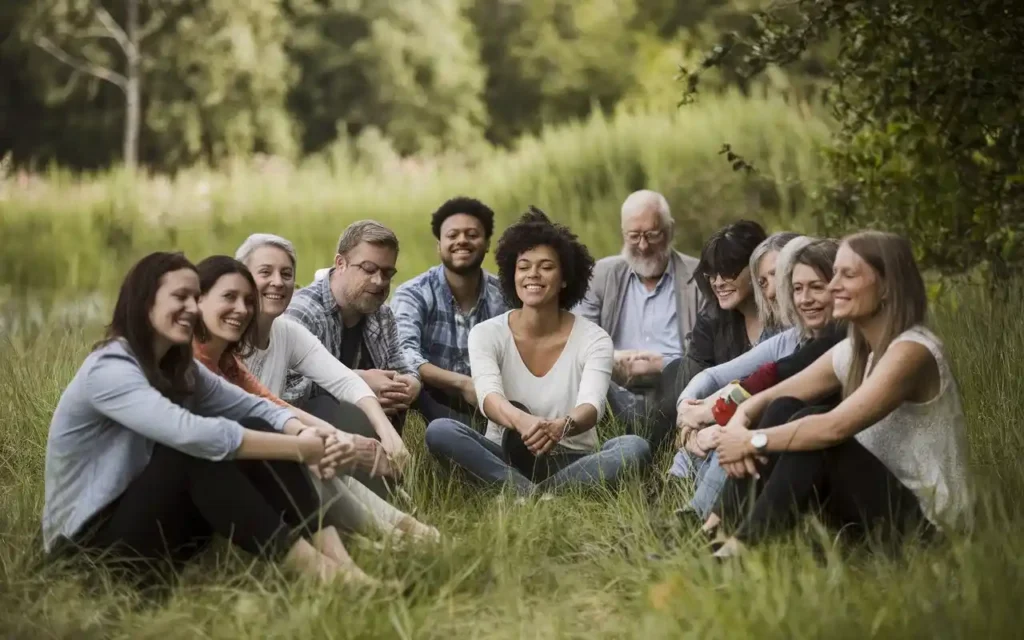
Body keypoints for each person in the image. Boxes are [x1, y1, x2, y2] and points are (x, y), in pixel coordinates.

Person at [42, 252, 368, 586]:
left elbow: (255, 408)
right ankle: (323, 575)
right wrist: (299, 449)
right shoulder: (110, 368)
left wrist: (302, 433)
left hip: (154, 528)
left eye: (195, 298)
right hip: (86, 553)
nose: (192, 308)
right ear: (144, 301)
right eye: (179, 297)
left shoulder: (179, 369)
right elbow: (191, 433)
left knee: (257, 427)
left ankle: (345, 568)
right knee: (192, 453)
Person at [708, 231, 972, 558]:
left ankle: (742, 550)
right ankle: (714, 536)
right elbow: (771, 396)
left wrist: (751, 441)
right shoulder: (855, 350)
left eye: (847, 275)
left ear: (888, 285)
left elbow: (834, 427)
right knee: (784, 407)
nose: (833, 286)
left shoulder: (912, 351)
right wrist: (739, 423)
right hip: (871, 508)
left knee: (812, 427)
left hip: (927, 531)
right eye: (834, 275)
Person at [194, 252, 438, 546]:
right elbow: (245, 424)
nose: (242, 309)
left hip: (251, 462)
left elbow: (271, 404)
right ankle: (382, 539)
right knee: (301, 451)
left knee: (309, 451)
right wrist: (319, 443)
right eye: (230, 297)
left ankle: (395, 531)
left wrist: (349, 440)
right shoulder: (190, 363)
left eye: (286, 274)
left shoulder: (231, 361)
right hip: (205, 482)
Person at [424, 208, 652, 496]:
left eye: (546, 266)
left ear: (565, 278)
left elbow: (592, 406)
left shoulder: (594, 338)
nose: (533, 274)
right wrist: (524, 422)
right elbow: (488, 397)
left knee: (634, 447)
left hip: (572, 458)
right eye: (524, 266)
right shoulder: (486, 333)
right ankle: (539, 495)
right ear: (512, 274)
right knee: (441, 430)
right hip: (502, 455)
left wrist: (562, 427)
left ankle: (530, 494)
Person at [672, 237, 846, 526]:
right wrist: (686, 413)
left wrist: (725, 420)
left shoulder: (842, 340)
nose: (778, 291)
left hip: (833, 466)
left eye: (816, 286)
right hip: (787, 457)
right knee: (739, 415)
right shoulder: (791, 338)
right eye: (797, 287)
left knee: (760, 416)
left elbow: (767, 381)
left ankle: (707, 523)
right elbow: (729, 379)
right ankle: (708, 524)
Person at [234, 233, 410, 498]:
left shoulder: (287, 333)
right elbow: (266, 407)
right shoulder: (225, 340)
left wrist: (388, 433)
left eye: (286, 274)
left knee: (323, 459)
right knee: (314, 453)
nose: (278, 282)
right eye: (265, 272)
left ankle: (395, 521)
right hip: (233, 455)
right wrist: (342, 439)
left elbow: (344, 380)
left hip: (275, 449)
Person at [574, 191, 702, 439]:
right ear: (623, 234)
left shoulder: (697, 277)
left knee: (680, 371)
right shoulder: (600, 275)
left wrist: (662, 364)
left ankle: (646, 440)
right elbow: (578, 341)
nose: (643, 246)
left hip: (675, 391)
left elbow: (709, 355)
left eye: (652, 235)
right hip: (615, 388)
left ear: (670, 230)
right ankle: (645, 440)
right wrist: (614, 359)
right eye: (634, 236)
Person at [283, 220, 421, 439]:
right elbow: (286, 391)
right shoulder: (304, 312)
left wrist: (410, 383)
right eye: (368, 269)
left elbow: (401, 366)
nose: (379, 281)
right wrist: (357, 382)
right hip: (308, 436)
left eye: (387, 273)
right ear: (340, 263)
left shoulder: (382, 314)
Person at [391, 197, 508, 431]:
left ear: (486, 244)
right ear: (439, 245)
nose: (462, 240)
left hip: (495, 398)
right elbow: (404, 353)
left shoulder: (506, 295)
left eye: (472, 234)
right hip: (430, 401)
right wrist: (463, 384)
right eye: (452, 235)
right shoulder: (413, 293)